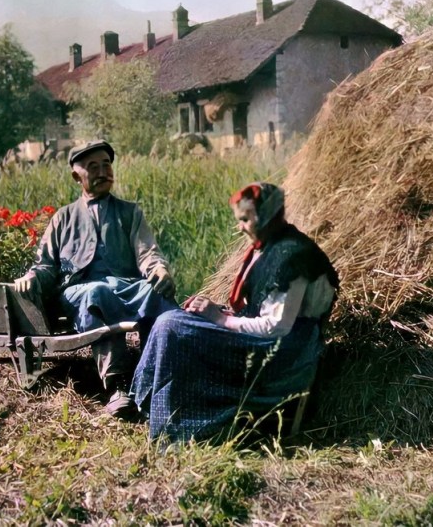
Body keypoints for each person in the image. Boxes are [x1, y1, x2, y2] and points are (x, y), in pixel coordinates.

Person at [131, 181, 338, 444]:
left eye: (245, 220)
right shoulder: (269, 245)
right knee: (173, 320)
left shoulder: (293, 256)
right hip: (268, 338)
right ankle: (162, 412)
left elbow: (276, 328)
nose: (240, 227)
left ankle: (182, 425)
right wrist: (218, 312)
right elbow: (261, 311)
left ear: (267, 215)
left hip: (286, 354)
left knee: (174, 327)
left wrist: (220, 319)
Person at [14, 140, 178, 418]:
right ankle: (118, 386)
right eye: (93, 167)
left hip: (125, 286)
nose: (103, 172)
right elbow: (45, 265)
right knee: (97, 292)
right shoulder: (63, 218)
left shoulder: (129, 213)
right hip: (78, 291)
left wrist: (158, 269)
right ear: (76, 176)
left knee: (156, 293)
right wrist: (30, 276)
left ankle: (164, 376)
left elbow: (147, 252)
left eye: (106, 165)